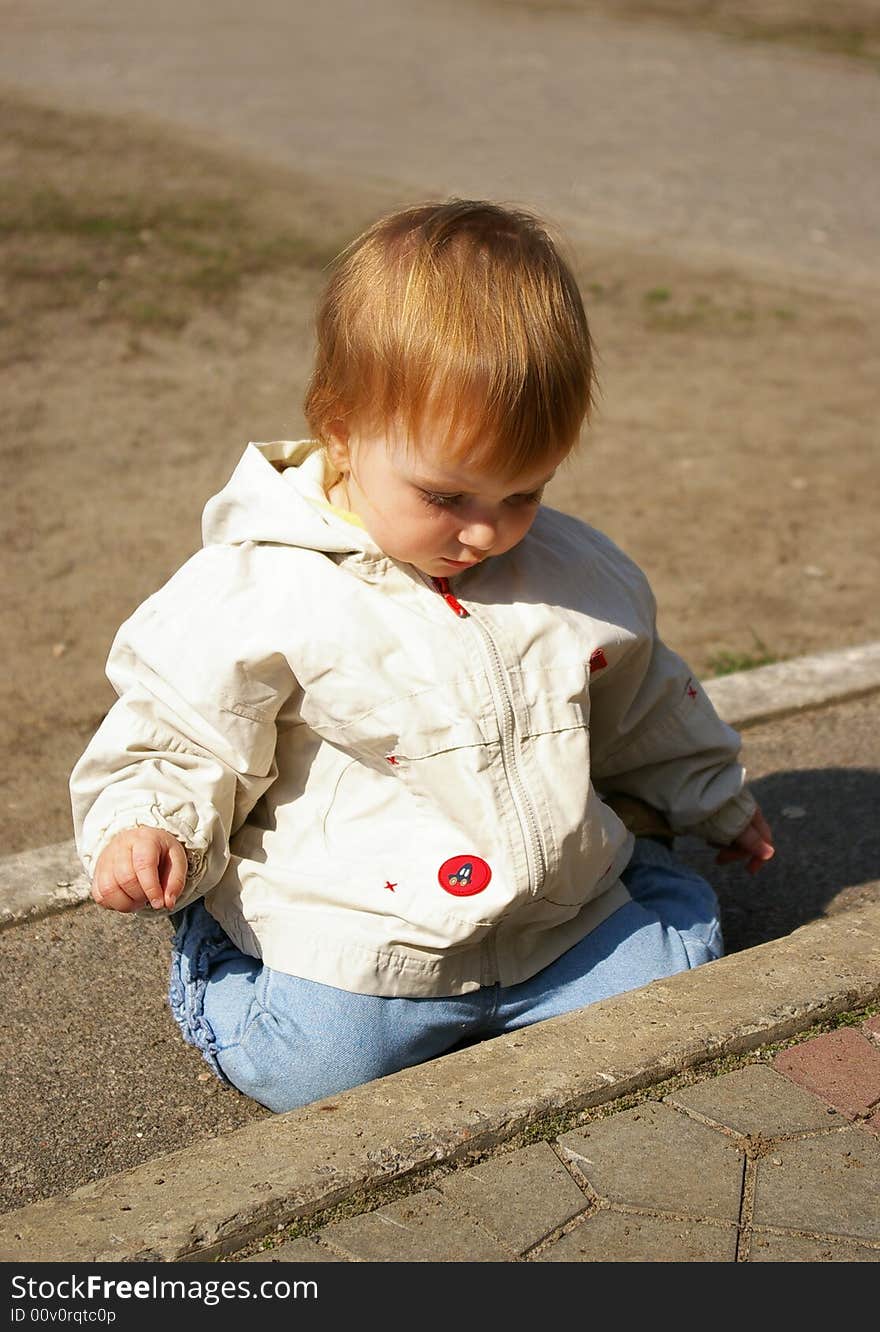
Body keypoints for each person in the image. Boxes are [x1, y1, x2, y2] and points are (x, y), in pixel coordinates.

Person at [70, 199, 774, 1114]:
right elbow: (180, 730)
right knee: (310, 1074)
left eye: (524, 492)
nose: (485, 531)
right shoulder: (254, 588)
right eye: (445, 495)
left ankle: (638, 866)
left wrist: (713, 798)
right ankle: (214, 952)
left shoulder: (576, 573)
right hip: (359, 932)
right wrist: (152, 826)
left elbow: (651, 705)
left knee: (678, 987)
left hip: (553, 916)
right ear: (342, 430)